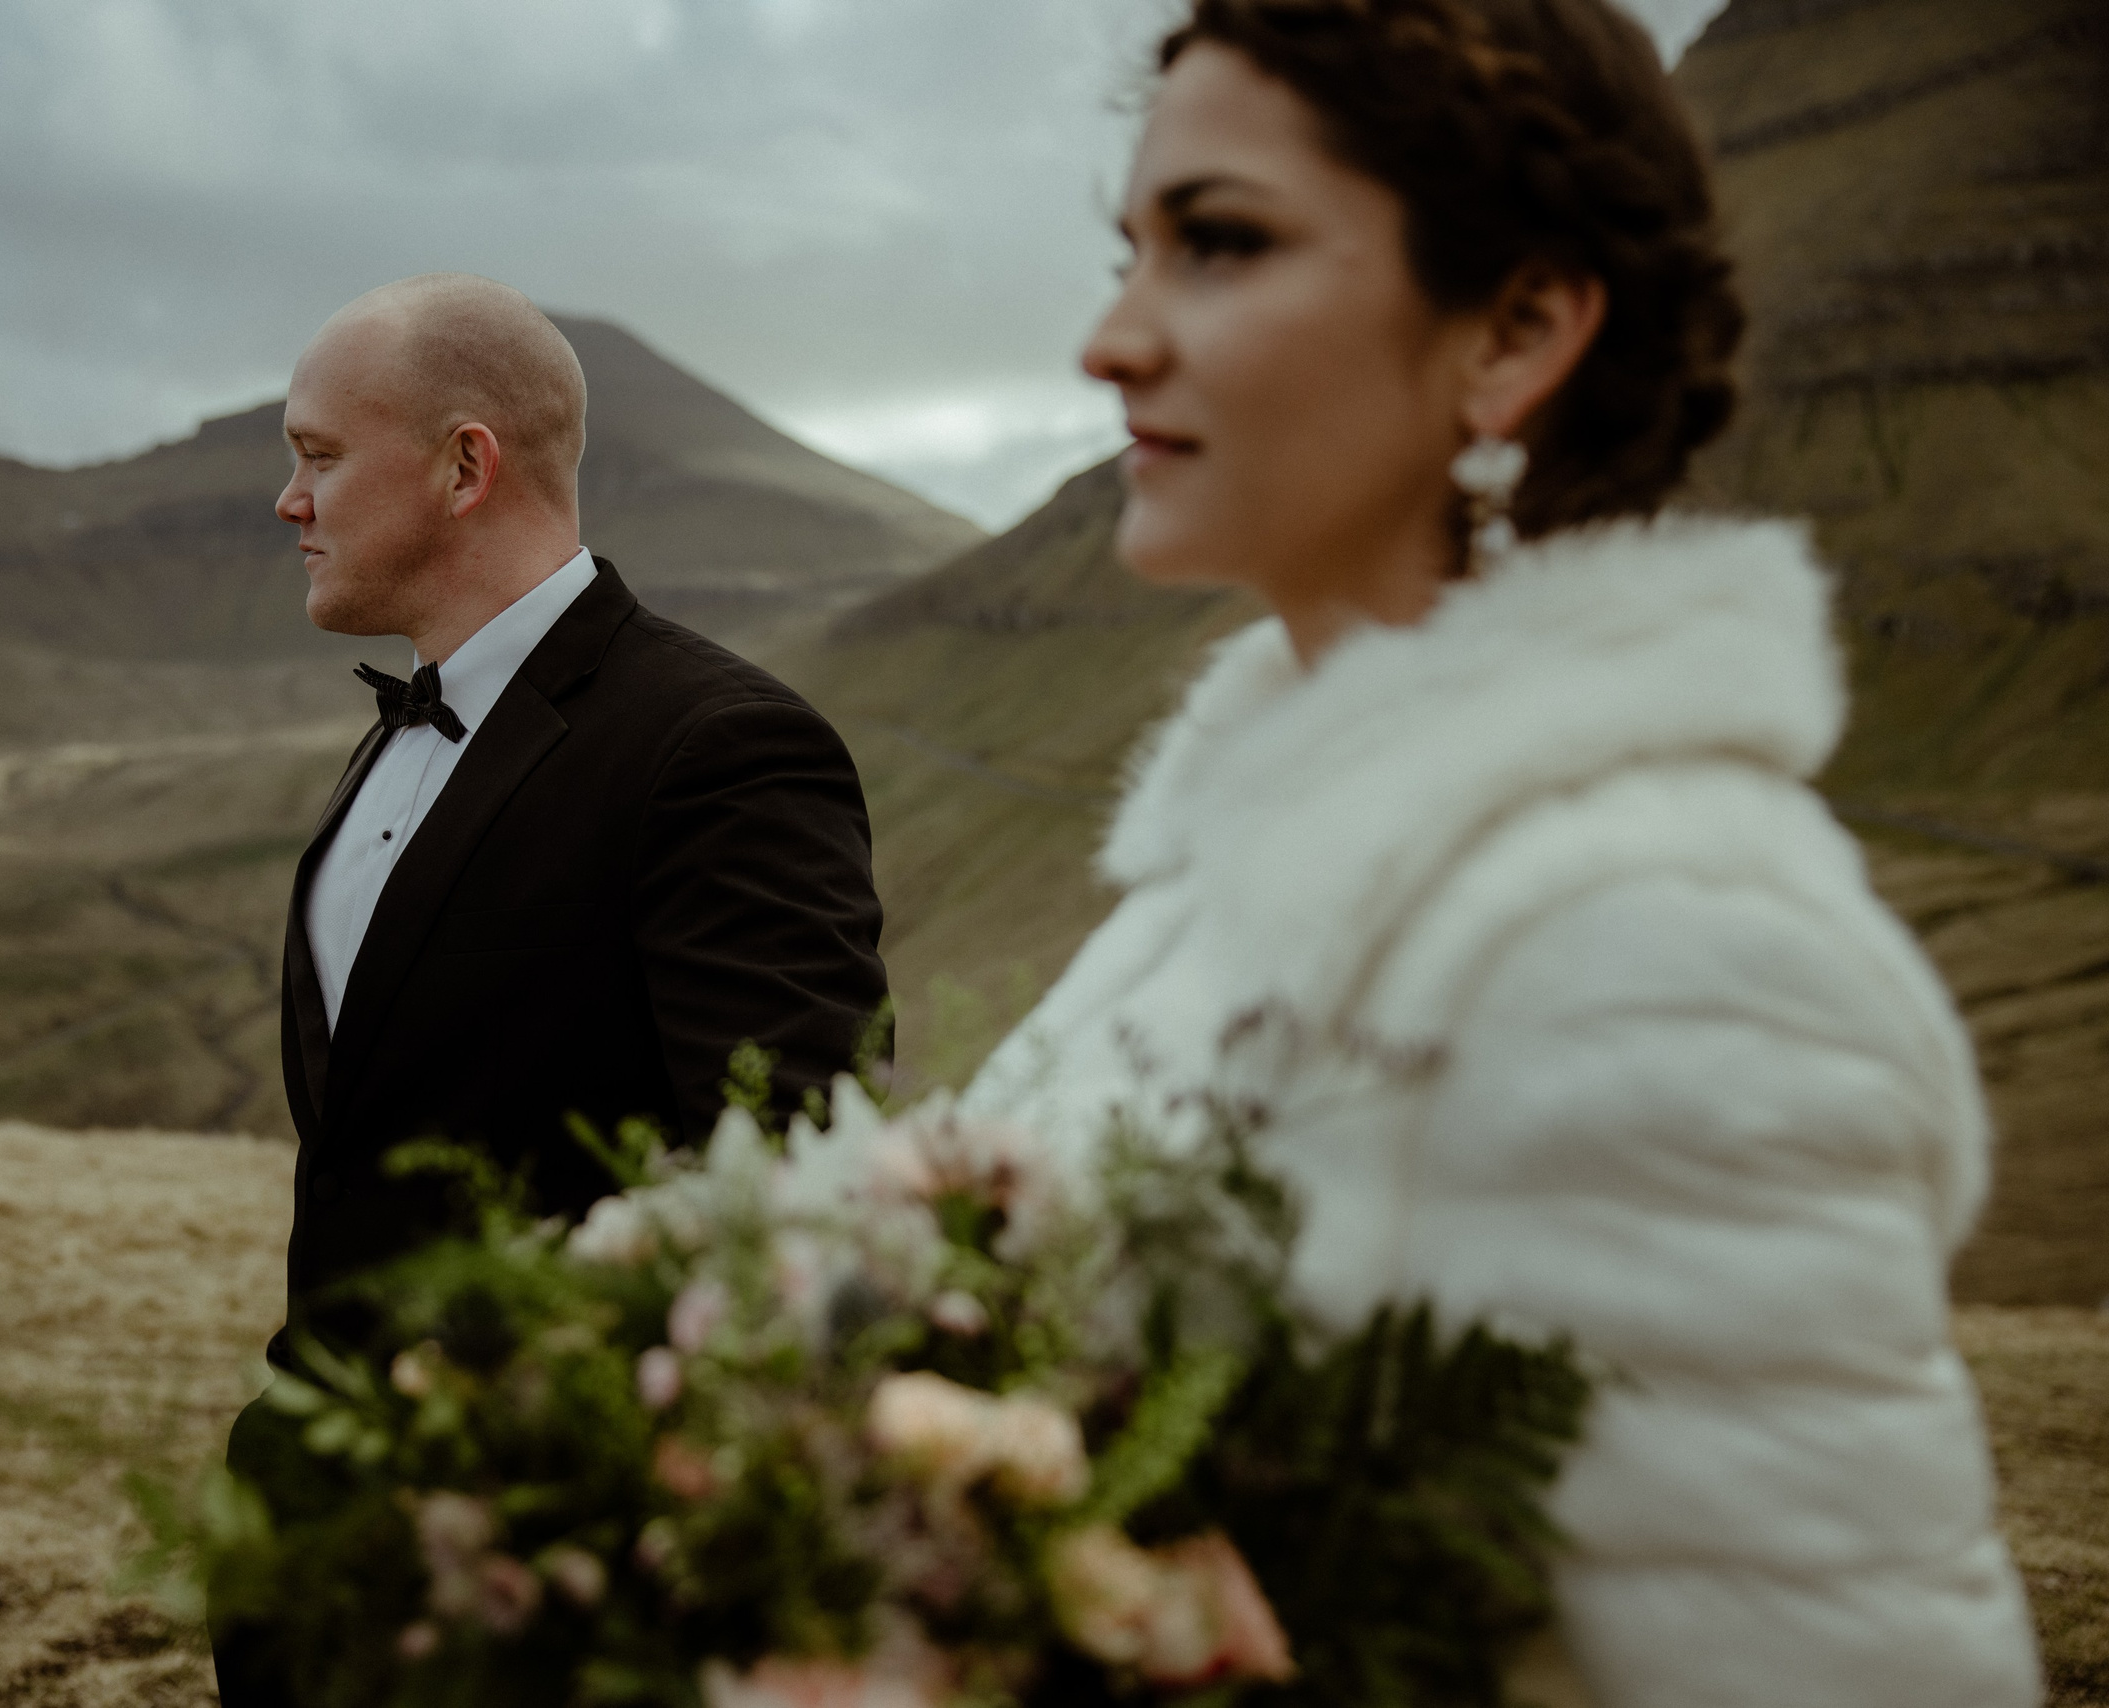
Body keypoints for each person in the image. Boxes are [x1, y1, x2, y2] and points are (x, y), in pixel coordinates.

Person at [961, 2, 2044, 1703]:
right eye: (1131, 250)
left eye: (1218, 244)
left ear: (1517, 328)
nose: (1110, 339)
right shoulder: (1219, 879)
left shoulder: (1663, 949)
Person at [216, 274, 890, 1704]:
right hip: (310, 1525)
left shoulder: (719, 748)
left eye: (319, 456)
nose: (289, 502)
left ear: (466, 466)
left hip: (540, 1572)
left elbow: (790, 1168)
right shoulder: (398, 731)